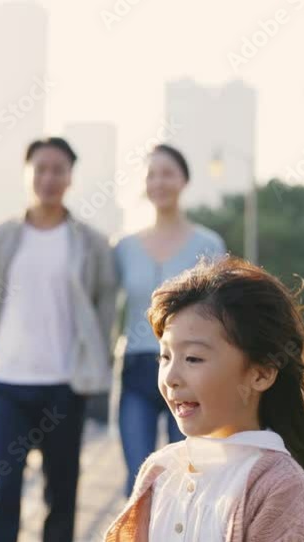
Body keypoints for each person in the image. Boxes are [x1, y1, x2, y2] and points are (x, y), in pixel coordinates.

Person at [104, 257, 304, 542]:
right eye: (164, 357)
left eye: (193, 358)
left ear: (261, 373)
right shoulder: (161, 471)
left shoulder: (281, 489)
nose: (171, 377)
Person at [0, 137, 117, 542]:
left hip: (65, 386)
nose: (48, 178)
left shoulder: (91, 243)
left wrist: (96, 363)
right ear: (28, 174)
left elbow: (104, 310)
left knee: (61, 495)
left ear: (70, 177)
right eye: (40, 169)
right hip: (7, 383)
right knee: (3, 493)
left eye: (58, 169)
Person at [114, 144, 225, 495]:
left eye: (167, 173)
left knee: (191, 478)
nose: (159, 182)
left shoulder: (209, 243)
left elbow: (222, 314)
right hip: (136, 370)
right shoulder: (124, 247)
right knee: (140, 481)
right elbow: (102, 307)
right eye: (151, 175)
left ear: (184, 180)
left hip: (193, 370)